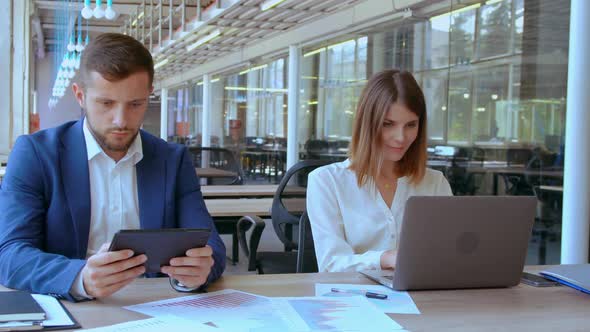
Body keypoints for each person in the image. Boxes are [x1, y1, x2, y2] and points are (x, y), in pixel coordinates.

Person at [0, 33, 225, 301]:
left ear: (148, 96)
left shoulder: (172, 159)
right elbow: (9, 253)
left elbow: (211, 246)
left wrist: (198, 272)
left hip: (157, 307)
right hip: (70, 306)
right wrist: (78, 278)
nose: (121, 120)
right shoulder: (36, 154)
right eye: (106, 103)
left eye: (135, 104)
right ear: (80, 95)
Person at [307, 69, 452, 272]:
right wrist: (384, 259)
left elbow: (449, 253)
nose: (400, 137)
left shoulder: (435, 183)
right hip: (354, 299)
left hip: (423, 298)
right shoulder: (326, 181)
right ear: (367, 124)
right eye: (388, 124)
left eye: (411, 125)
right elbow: (331, 264)